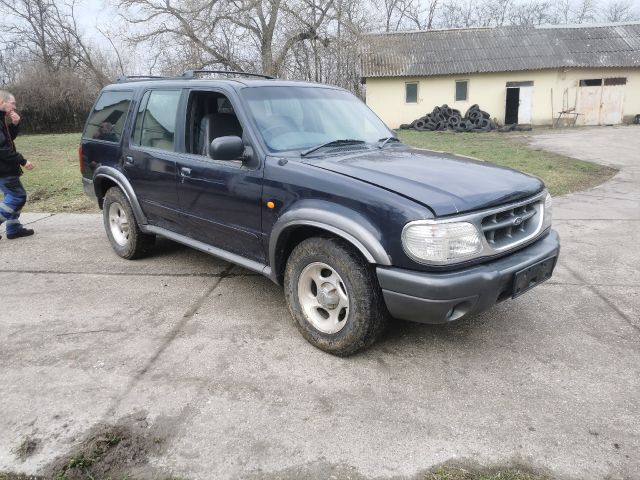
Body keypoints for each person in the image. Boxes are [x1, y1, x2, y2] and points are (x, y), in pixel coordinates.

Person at [0, 90, 35, 240]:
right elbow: (2, 150)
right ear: (2, 101)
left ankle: (14, 228)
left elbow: (7, 140)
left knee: (12, 195)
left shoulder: (2, 119)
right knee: (17, 196)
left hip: (6, 168)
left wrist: (15, 124)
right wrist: (22, 160)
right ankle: (13, 227)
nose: (14, 107)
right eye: (12, 103)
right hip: (4, 168)